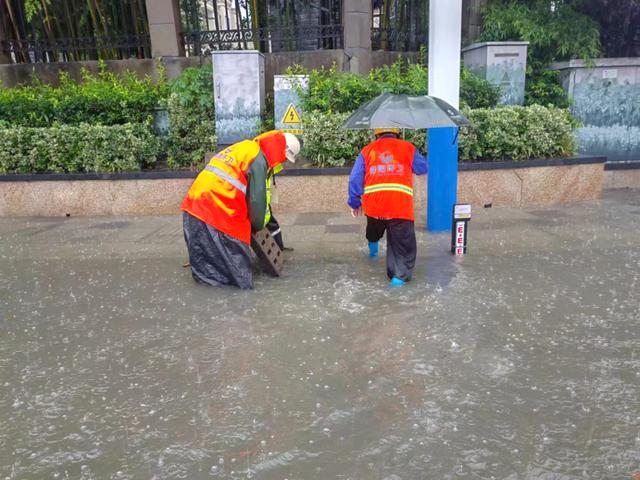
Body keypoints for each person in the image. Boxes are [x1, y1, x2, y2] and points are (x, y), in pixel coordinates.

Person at [181, 131, 301, 289]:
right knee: (239, 273)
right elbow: (257, 202)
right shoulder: (258, 160)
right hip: (217, 207)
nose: (283, 162)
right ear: (281, 151)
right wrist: (257, 225)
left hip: (194, 203)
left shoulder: (248, 147)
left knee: (209, 261)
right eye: (285, 158)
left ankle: (209, 279)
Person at [347, 128, 428, 286]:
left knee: (373, 230)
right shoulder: (408, 148)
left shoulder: (367, 150)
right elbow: (422, 168)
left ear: (376, 134)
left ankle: (373, 253)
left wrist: (354, 203)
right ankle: (397, 281)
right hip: (399, 208)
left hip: (374, 207)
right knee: (402, 245)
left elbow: (355, 178)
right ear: (397, 132)